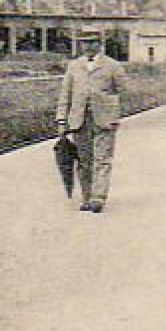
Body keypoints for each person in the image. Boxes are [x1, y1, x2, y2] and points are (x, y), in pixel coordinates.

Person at [56, 31, 127, 214]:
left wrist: (111, 110)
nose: (88, 46)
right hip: (79, 119)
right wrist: (62, 120)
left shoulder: (113, 66)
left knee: (102, 159)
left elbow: (123, 92)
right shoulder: (74, 66)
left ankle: (98, 198)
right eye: (84, 42)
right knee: (84, 160)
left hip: (104, 119)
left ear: (100, 44)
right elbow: (65, 94)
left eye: (92, 42)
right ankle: (87, 197)